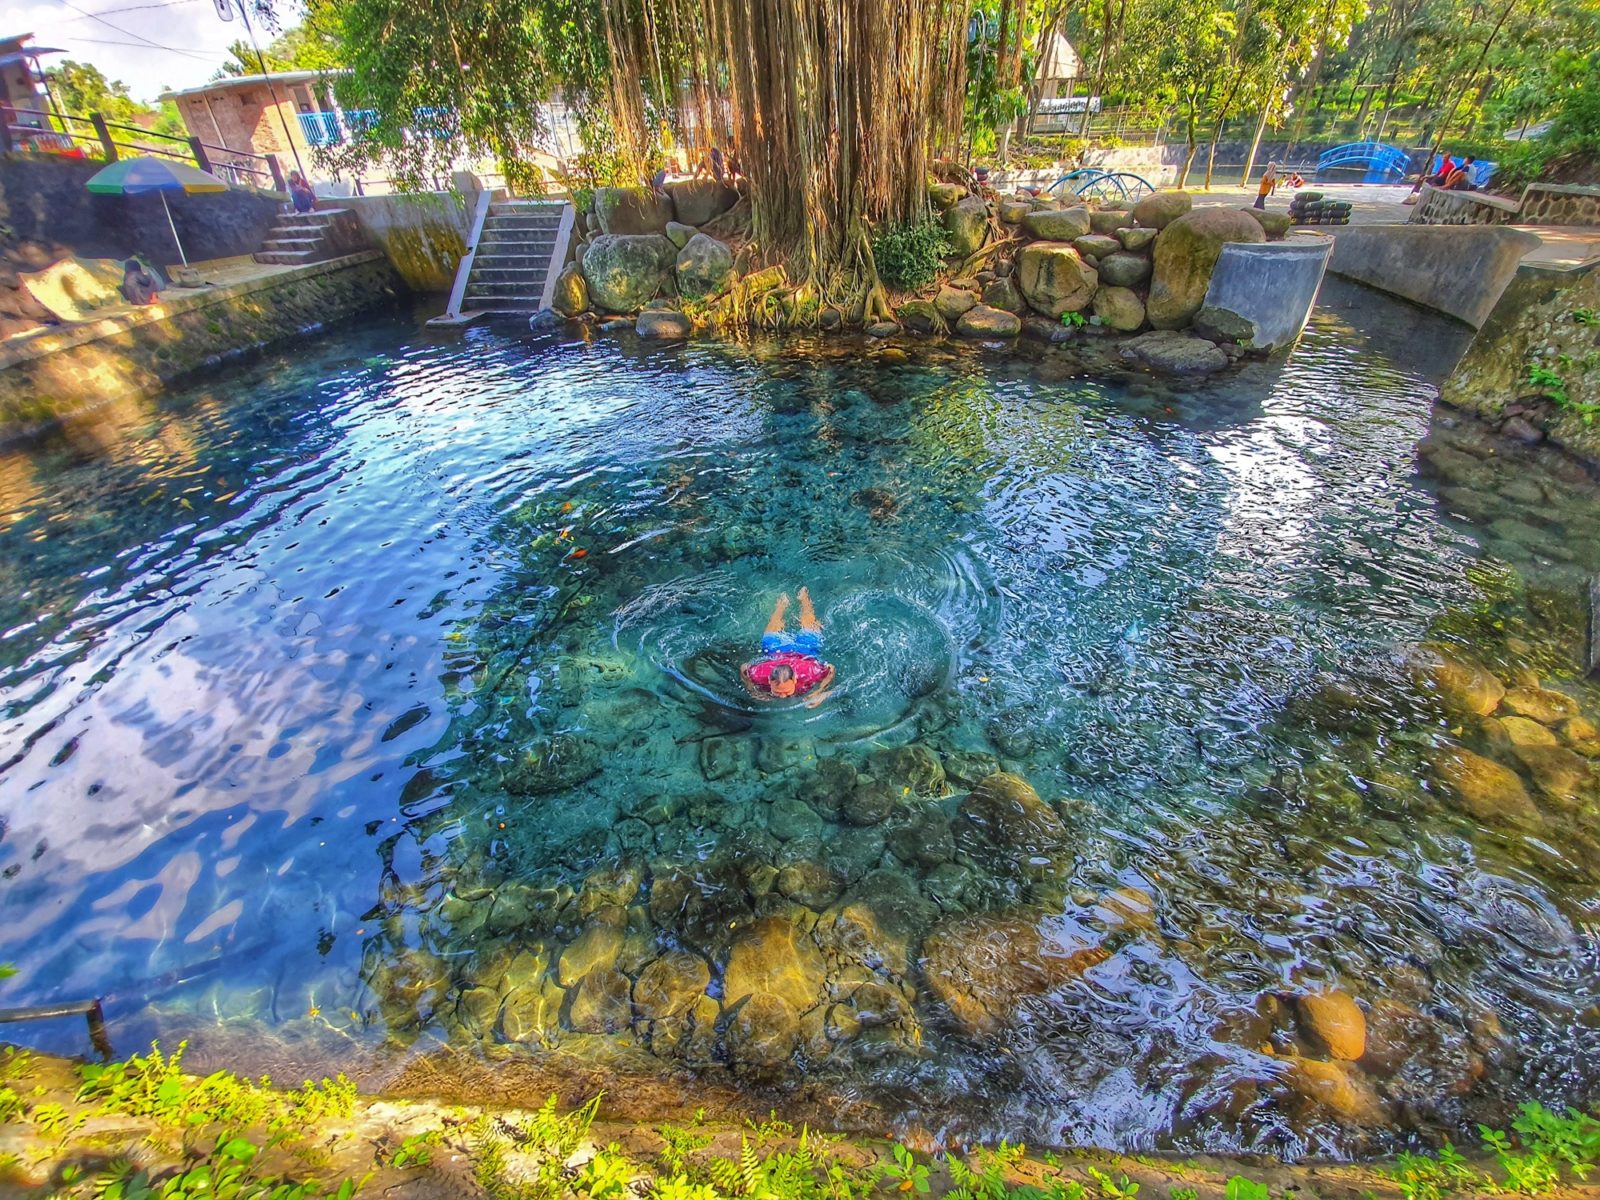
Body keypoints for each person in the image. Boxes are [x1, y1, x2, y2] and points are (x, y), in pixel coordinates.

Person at [741, 587, 835, 702]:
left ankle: (804, 599)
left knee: (773, 635)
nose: (782, 696)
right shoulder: (760, 673)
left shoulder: (810, 671)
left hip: (792, 651)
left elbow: (831, 669)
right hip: (795, 651)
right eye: (777, 692)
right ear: (769, 680)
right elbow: (744, 668)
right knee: (805, 628)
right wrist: (752, 689)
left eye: (786, 691)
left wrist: (818, 693)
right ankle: (781, 605)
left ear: (795, 679)